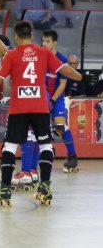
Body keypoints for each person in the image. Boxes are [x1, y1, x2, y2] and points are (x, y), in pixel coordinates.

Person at [0, 20, 82, 206]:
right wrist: (80, 76)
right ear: (31, 36)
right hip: (40, 106)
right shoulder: (43, 52)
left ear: (16, 36)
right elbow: (66, 70)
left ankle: (5, 188)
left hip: (19, 107)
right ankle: (44, 185)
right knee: (45, 145)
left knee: (10, 147)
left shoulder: (12, 54)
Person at [42, 30, 79, 173]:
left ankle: (72, 155)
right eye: (43, 41)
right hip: (42, 96)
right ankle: (47, 152)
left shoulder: (62, 60)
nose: (44, 44)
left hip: (56, 97)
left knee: (60, 124)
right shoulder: (39, 57)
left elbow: (63, 85)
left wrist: (52, 100)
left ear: (54, 43)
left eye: (48, 41)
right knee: (40, 127)